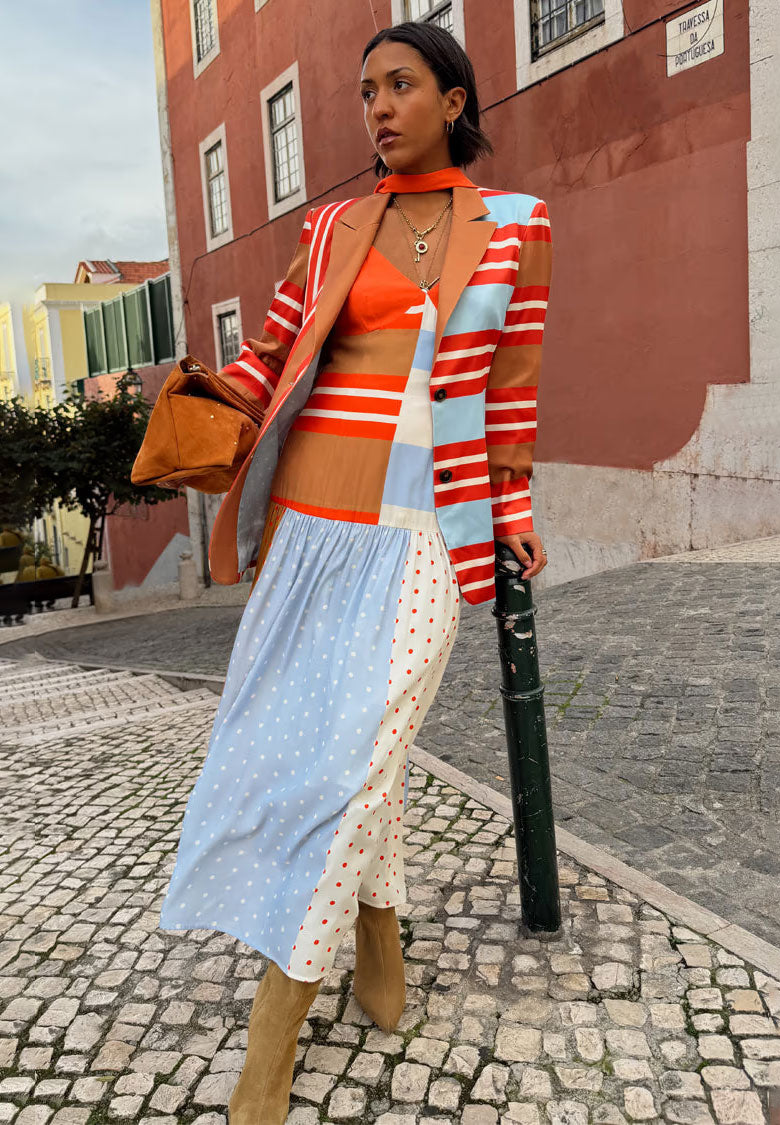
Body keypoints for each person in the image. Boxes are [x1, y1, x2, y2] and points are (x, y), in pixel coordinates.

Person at [158, 19, 552, 1125]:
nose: (377, 106)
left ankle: (272, 1035)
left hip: (427, 530)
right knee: (302, 750)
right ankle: (379, 936)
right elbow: (271, 353)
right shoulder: (333, 226)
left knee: (358, 760)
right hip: (314, 525)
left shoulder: (520, 226)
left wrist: (514, 507)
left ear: (455, 102)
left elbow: (512, 384)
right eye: (366, 90)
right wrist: (207, 405)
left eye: (400, 84)